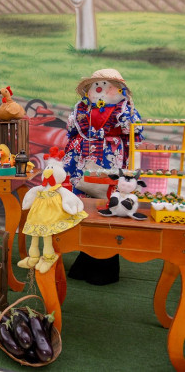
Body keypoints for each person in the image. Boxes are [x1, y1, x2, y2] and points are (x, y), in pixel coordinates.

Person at [63, 69, 144, 285]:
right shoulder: (82, 108)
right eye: (97, 84)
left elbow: (135, 130)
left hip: (112, 160)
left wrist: (123, 120)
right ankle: (85, 259)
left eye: (107, 84)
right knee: (86, 208)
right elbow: (72, 129)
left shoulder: (124, 109)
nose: (100, 88)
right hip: (85, 161)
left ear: (119, 90)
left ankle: (106, 265)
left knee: (108, 206)